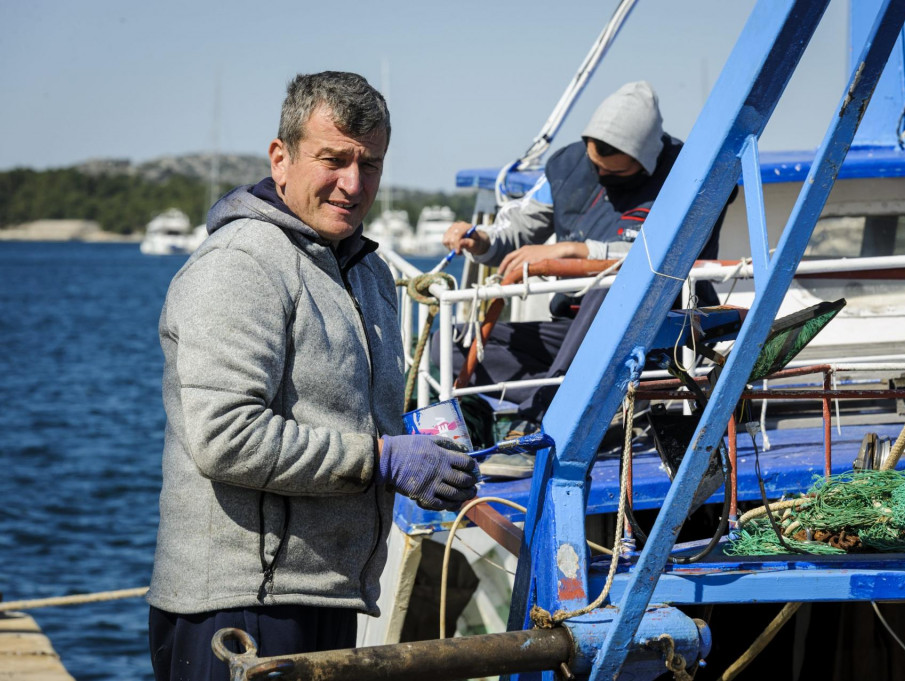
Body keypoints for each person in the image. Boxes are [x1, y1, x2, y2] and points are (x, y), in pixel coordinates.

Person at [146, 71, 478, 681]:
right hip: (239, 610)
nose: (353, 184)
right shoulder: (240, 265)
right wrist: (382, 460)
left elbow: (351, 418)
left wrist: (426, 451)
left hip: (326, 595)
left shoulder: (367, 272)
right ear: (281, 158)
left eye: (370, 164)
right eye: (334, 160)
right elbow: (227, 438)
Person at [437, 82, 734, 476]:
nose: (600, 175)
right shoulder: (566, 165)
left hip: (660, 333)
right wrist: (481, 240)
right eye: (595, 165)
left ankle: (544, 420)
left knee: (611, 288)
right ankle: (581, 401)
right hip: (574, 330)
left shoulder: (693, 173)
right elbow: (519, 232)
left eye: (615, 172)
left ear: (646, 159)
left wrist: (579, 252)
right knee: (448, 346)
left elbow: (672, 252)